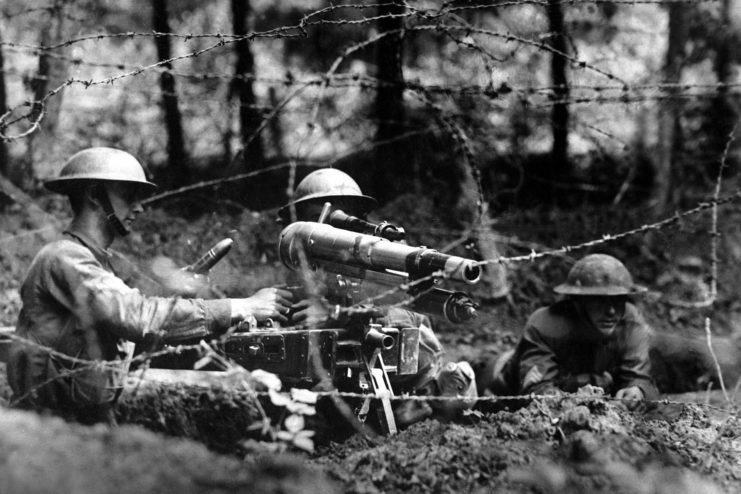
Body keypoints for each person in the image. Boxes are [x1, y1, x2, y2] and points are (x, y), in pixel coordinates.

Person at [7, 147, 293, 425]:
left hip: (80, 418)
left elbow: (125, 326)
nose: (140, 207)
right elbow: (137, 318)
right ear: (95, 195)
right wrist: (241, 307)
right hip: (48, 424)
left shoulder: (91, 259)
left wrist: (173, 297)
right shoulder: (65, 257)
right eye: (129, 196)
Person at [277, 168, 477, 426]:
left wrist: (338, 315)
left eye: (339, 218)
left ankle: (431, 399)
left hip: (407, 386)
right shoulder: (302, 271)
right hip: (343, 392)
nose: (325, 229)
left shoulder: (382, 259)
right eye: (316, 219)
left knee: (455, 398)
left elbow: (408, 318)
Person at [480, 253, 658, 410]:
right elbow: (536, 391)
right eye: (599, 301)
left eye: (618, 300)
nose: (611, 311)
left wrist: (637, 391)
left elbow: (640, 378)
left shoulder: (630, 322)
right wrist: (582, 406)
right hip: (507, 391)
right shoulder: (546, 323)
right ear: (578, 301)